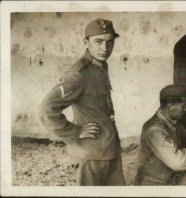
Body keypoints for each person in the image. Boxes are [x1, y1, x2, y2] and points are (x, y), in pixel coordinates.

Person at [39, 18, 126, 186]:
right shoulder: (78, 74)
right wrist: (75, 132)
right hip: (90, 154)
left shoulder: (100, 66)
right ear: (86, 42)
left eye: (110, 42)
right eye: (98, 42)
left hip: (109, 148)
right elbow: (46, 110)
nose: (104, 48)